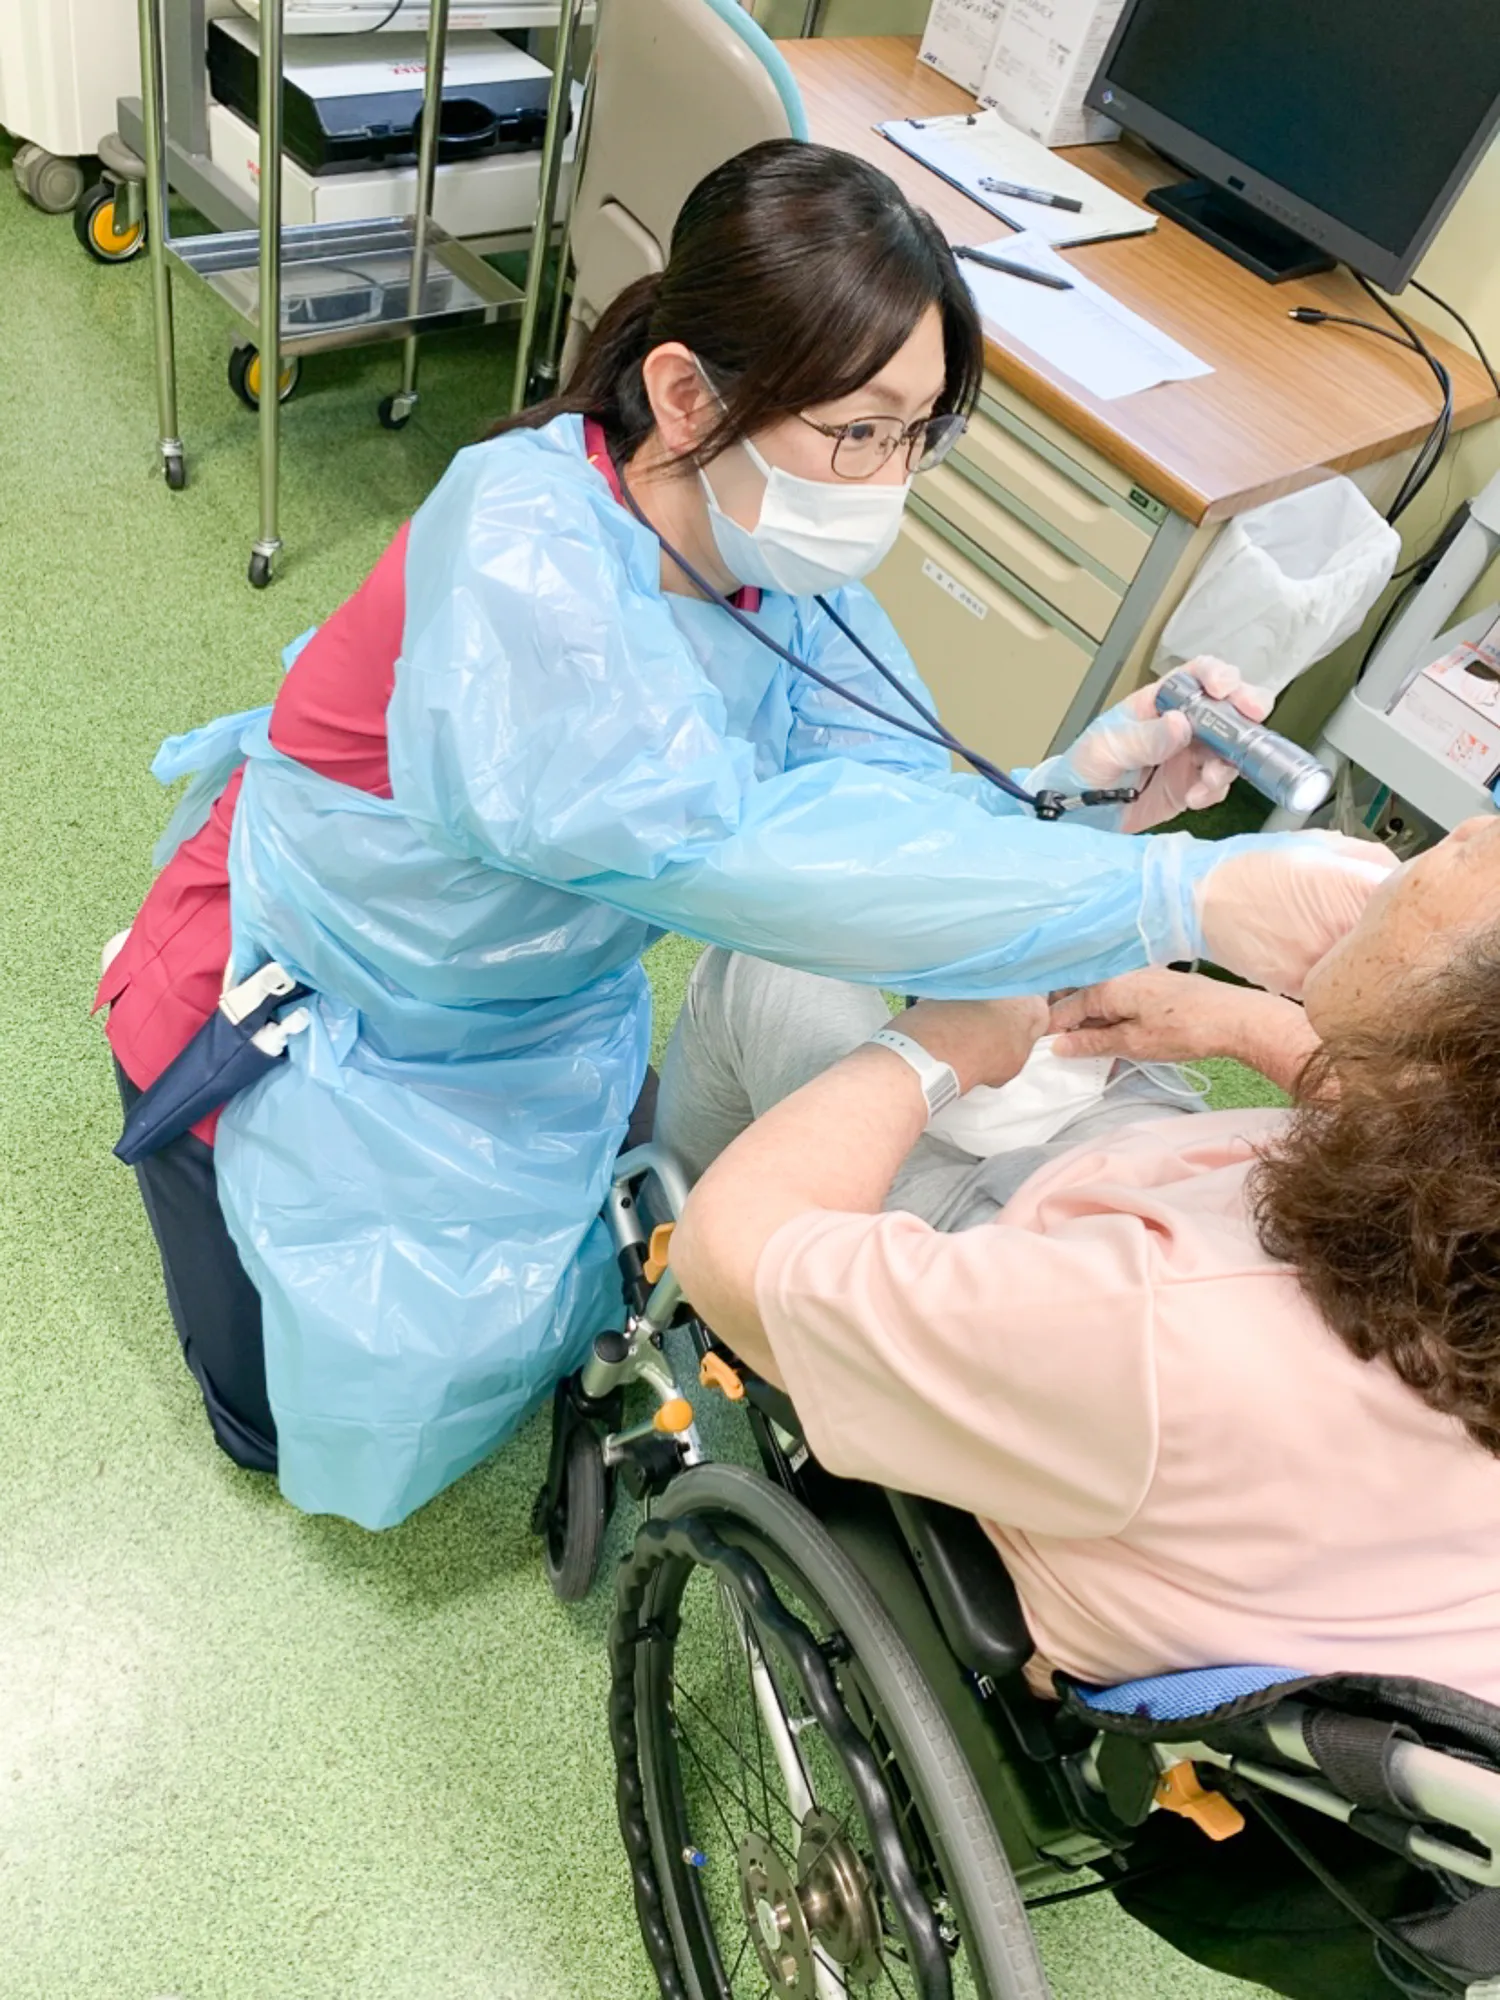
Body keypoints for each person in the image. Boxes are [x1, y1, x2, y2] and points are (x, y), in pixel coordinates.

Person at [99, 139, 1389, 1531]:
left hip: (521, 1011)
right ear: (685, 393)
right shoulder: (529, 565)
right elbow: (735, 864)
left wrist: (1086, 781)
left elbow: (877, 816)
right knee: (292, 1405)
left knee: (528, 1297)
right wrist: (1182, 896)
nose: (890, 480)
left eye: (919, 434)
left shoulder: (762, 551)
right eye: (861, 431)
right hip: (307, 1029)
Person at [667, 819, 1500, 1999]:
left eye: (1477, 857)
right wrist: (1242, 1023)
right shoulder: (1458, 1225)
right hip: (1236, 1437)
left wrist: (932, 1051)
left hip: (1070, 1359)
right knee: (1110, 1059)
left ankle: (641, 1243)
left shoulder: (1172, 1336)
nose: (1466, 827)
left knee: (780, 971)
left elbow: (739, 1250)